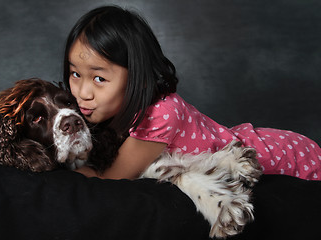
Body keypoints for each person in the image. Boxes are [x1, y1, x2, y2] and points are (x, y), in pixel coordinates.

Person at [62, 5, 321, 180]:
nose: (83, 92)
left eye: (99, 78)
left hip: (285, 155)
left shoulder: (160, 114)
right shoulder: (109, 110)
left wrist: (57, 171)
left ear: (139, 78)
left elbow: (112, 179)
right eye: (75, 74)